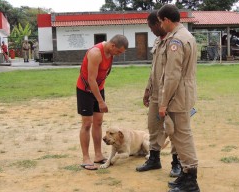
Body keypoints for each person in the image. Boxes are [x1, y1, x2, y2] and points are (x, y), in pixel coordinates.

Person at [157, 4, 200, 192]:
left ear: (167, 20)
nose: (160, 26)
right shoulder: (186, 35)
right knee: (180, 135)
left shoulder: (176, 40)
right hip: (184, 92)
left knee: (182, 137)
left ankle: (190, 180)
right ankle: (185, 174)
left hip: (177, 95)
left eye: (160, 22)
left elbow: (172, 75)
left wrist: (163, 102)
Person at [136, 11, 182, 178]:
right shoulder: (157, 41)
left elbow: (174, 73)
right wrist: (147, 89)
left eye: (151, 27)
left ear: (160, 22)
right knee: (153, 126)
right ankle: (154, 159)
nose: (151, 30)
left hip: (171, 95)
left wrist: (167, 97)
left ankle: (177, 163)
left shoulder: (174, 41)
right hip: (156, 94)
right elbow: (154, 68)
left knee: (173, 129)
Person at [76, 34, 128, 170]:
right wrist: (100, 101)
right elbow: (91, 79)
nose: (118, 55)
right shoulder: (95, 53)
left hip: (99, 89)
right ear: (112, 46)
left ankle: (98, 155)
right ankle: (86, 158)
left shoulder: (110, 53)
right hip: (85, 90)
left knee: (98, 122)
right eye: (118, 51)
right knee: (87, 123)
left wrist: (100, 97)